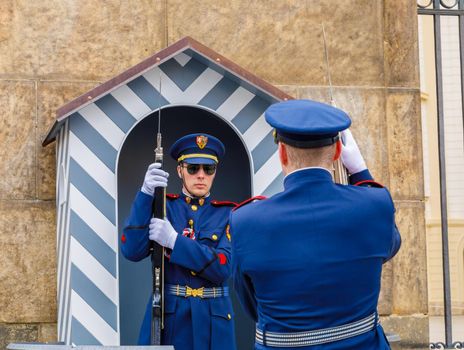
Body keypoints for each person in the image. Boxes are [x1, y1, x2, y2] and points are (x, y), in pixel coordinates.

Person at [230, 99, 401, 349]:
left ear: (282, 153)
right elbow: (390, 244)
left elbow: (249, 301)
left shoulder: (246, 220)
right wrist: (361, 173)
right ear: (338, 152)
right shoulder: (375, 205)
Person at [121, 133, 237, 350]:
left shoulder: (229, 214)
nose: (201, 175)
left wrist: (175, 241)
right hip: (172, 318)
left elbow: (224, 268)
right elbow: (131, 250)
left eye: (208, 169)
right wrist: (145, 194)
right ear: (180, 170)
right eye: (193, 168)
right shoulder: (163, 207)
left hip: (214, 319)